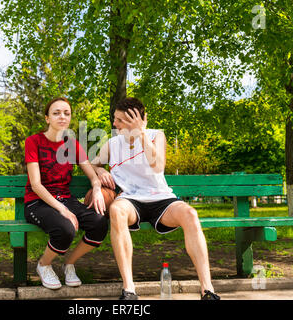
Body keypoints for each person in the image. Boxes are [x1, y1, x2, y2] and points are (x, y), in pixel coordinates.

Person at [91, 97, 220, 300]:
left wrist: (141, 134)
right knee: (116, 210)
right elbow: (92, 164)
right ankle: (129, 289)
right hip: (131, 200)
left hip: (161, 199)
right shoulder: (113, 143)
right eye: (114, 119)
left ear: (140, 120)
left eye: (120, 120)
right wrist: (98, 170)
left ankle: (208, 289)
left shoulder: (156, 135)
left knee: (191, 214)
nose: (114, 124)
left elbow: (157, 166)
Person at [24, 97, 108, 290]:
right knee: (66, 228)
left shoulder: (72, 145)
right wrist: (62, 209)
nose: (62, 116)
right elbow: (36, 185)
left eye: (66, 113)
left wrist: (96, 189)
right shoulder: (34, 142)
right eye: (56, 113)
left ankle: (69, 264)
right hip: (37, 202)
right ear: (47, 118)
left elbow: (92, 175)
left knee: (99, 223)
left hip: (65, 199)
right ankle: (44, 265)